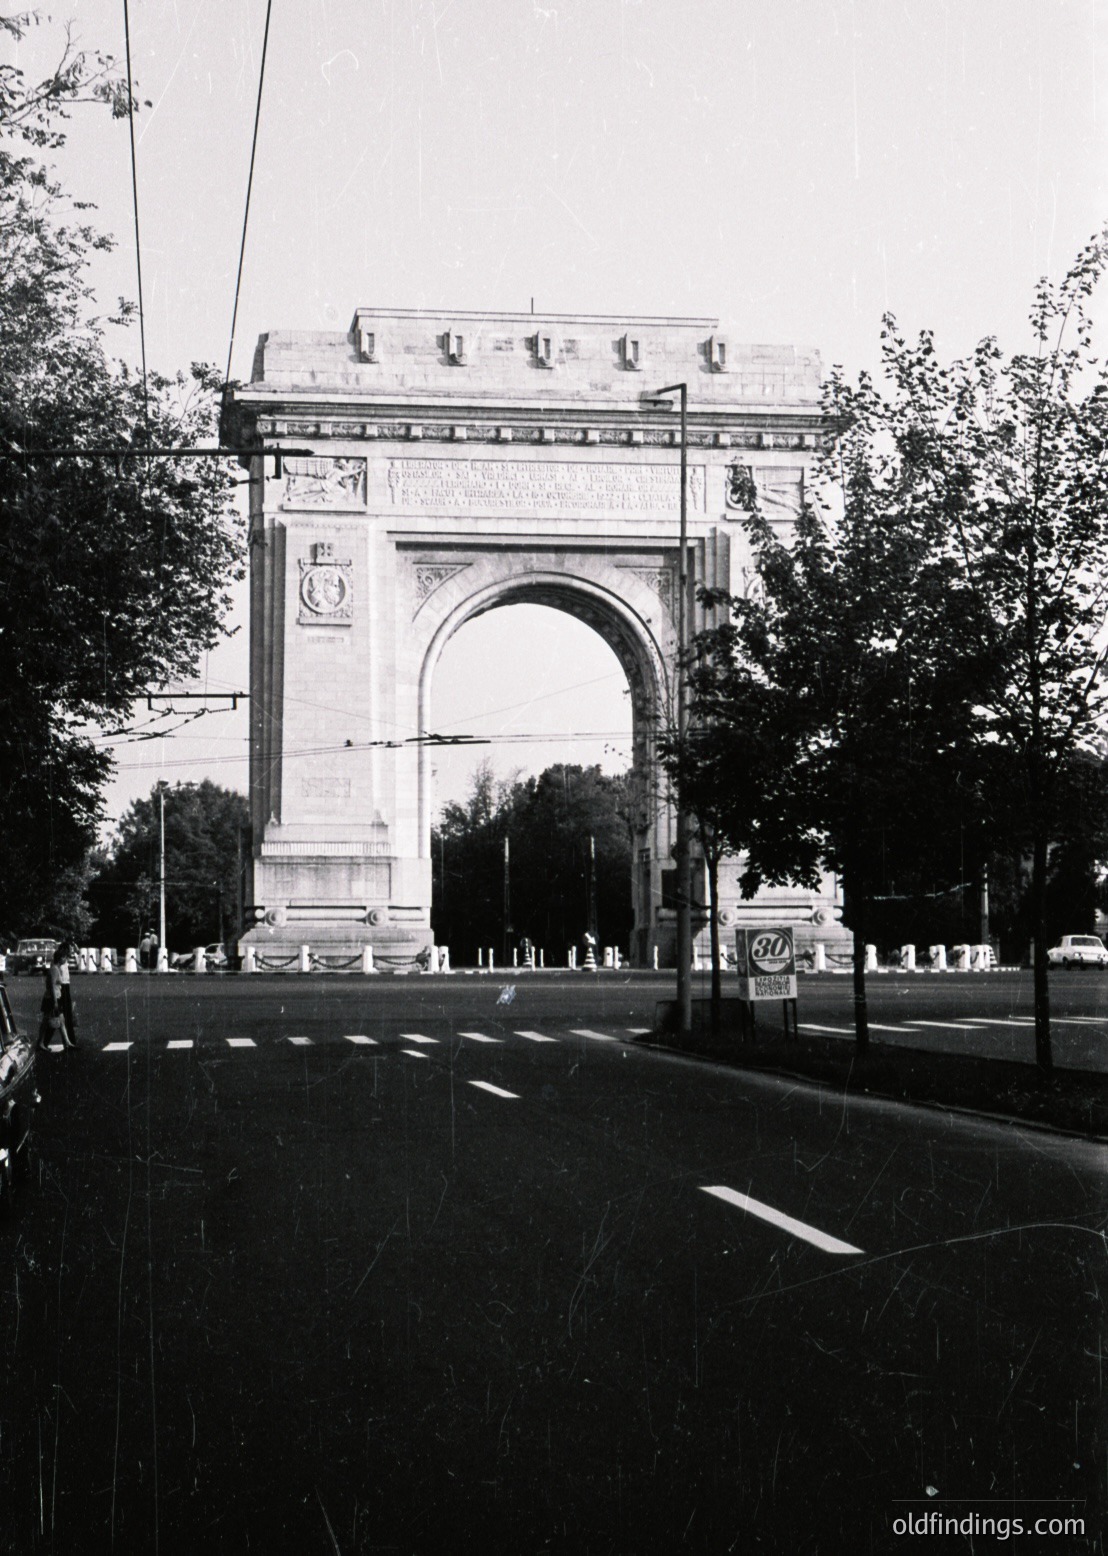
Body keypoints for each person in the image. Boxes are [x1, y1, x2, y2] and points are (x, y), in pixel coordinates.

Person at [49, 940, 77, 1049]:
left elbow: (77, 952)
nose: (70, 952)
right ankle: (70, 1041)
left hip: (66, 986)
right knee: (60, 1015)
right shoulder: (59, 960)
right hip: (62, 987)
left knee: (63, 1015)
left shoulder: (64, 959)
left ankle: (70, 1041)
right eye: (69, 949)